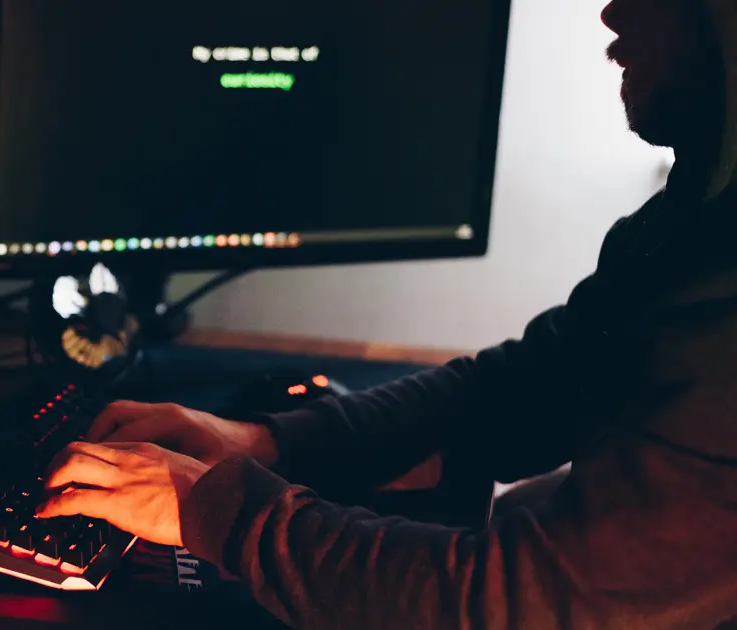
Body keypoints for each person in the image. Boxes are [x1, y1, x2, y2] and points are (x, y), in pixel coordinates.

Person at [37, 0, 737, 627]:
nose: (613, 13)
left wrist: (209, 508)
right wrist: (264, 444)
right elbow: (532, 384)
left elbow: (533, 600)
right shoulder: (694, 222)